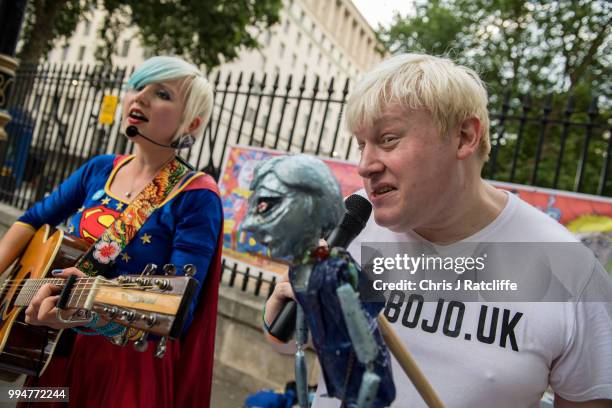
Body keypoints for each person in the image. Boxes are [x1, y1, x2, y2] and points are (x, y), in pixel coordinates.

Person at [263, 53, 612, 407]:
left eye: (388, 139)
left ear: (464, 137)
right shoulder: (353, 221)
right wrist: (284, 314)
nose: (365, 165)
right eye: (361, 144)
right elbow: (290, 343)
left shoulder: (570, 270)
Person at [0, 56, 223, 407]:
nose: (140, 98)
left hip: (124, 375)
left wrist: (88, 311)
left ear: (191, 123)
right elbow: (33, 219)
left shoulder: (196, 195)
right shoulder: (101, 168)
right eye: (137, 87)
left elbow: (179, 306)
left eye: (161, 93)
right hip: (50, 361)